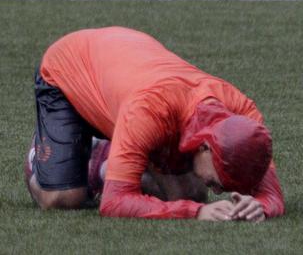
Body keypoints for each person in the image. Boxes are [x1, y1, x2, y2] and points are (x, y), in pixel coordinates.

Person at [26, 26, 284, 220]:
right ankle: (42, 159)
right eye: (219, 182)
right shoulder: (150, 111)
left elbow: (272, 194)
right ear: (206, 147)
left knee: (188, 194)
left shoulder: (247, 121)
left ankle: (115, 157)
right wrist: (196, 212)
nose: (218, 192)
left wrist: (261, 205)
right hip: (69, 67)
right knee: (64, 199)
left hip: (131, 72)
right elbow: (114, 203)